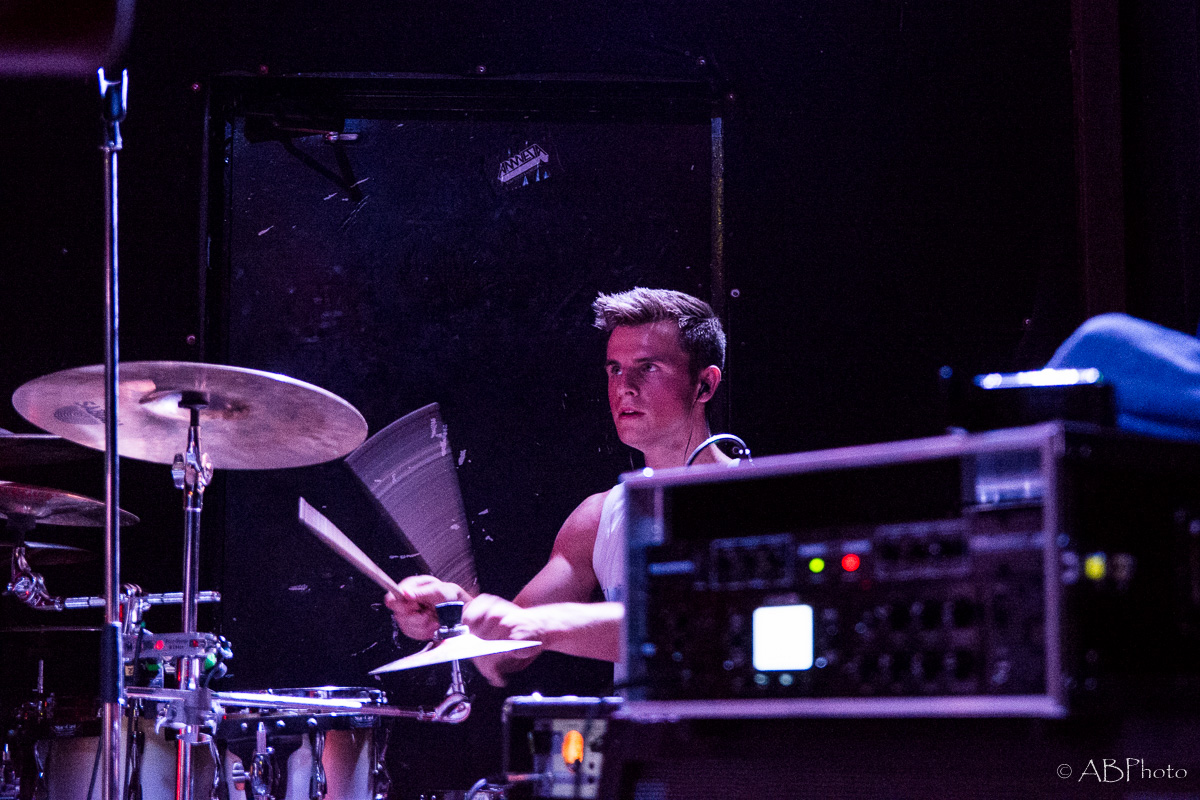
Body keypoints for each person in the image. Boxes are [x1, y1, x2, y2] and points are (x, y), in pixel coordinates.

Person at [385, 287, 734, 686]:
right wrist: (455, 611)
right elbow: (503, 653)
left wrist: (545, 624)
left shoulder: (761, 500)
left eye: (648, 367)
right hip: (641, 728)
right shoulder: (597, 519)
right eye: (615, 369)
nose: (624, 386)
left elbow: (708, 627)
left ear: (705, 385)